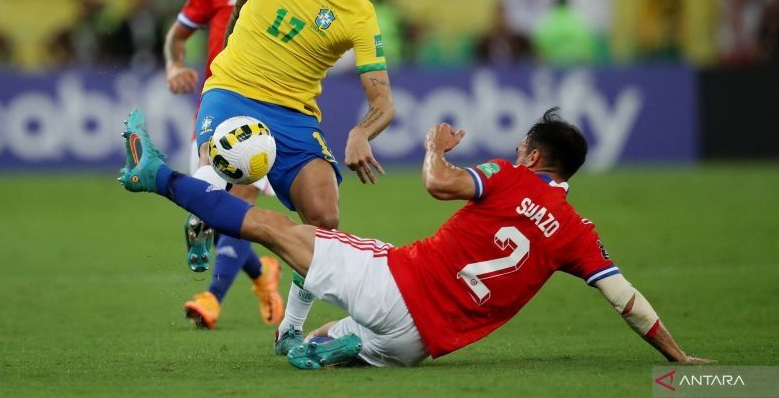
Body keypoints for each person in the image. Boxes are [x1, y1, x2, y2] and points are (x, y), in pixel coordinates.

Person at [118, 107, 714, 370]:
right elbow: (626, 300)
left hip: (398, 285)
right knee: (333, 328)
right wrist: (677, 358)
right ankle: (315, 344)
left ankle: (159, 178)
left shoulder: (508, 177)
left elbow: (436, 184)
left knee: (281, 227)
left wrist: (435, 146)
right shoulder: (581, 236)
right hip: (423, 344)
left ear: (531, 154)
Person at [186, 0, 394, 352]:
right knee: (215, 155)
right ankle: (201, 208)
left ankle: (290, 327)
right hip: (233, 89)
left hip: (295, 115)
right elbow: (240, 11)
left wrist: (361, 131)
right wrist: (227, 62)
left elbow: (383, 100)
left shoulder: (357, 13)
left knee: (325, 220)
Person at [163, 0, 297, 329]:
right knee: (217, 212)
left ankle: (211, 298)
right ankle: (262, 273)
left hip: (266, 113)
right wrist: (173, 65)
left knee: (238, 201)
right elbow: (178, 34)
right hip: (215, 106)